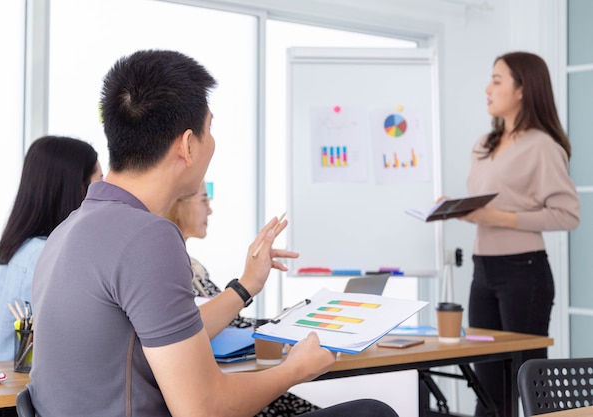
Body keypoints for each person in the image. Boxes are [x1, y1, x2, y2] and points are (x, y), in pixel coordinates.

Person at [29, 49, 398, 417]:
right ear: (188, 145)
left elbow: (169, 335)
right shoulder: (147, 236)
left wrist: (246, 285)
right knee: (372, 412)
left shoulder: (71, 229)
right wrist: (294, 370)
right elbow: (204, 410)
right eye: (210, 129)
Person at [461, 51, 580, 416]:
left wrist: (501, 217)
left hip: (523, 273)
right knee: (487, 382)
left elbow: (568, 215)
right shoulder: (484, 144)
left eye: (497, 80)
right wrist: (462, 210)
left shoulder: (543, 146)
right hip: (483, 272)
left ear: (522, 90)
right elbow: (487, 205)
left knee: (528, 380)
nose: (488, 88)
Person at [166, 181, 320, 416]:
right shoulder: (167, 272)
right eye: (204, 200)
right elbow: (201, 327)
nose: (210, 209)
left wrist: (290, 322)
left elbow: (234, 323)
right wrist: (248, 284)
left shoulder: (195, 267)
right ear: (177, 204)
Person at [0, 135, 102, 363]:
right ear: (76, 189)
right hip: (16, 390)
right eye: (100, 182)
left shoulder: (25, 246)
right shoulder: (44, 254)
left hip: (4, 381)